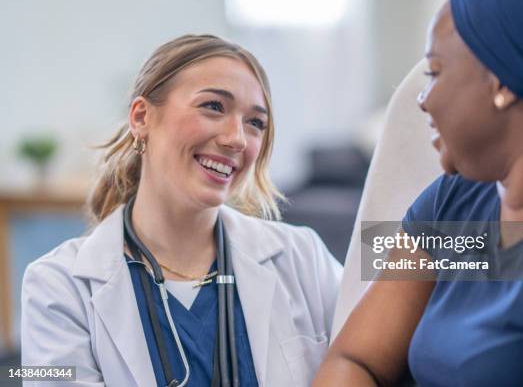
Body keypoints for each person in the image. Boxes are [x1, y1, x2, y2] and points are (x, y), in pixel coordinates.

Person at [314, 0, 523, 385]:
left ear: (502, 82)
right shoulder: (455, 198)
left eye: (435, 71)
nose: (423, 99)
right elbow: (354, 359)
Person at [21, 34, 342, 387]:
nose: (237, 138)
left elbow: (395, 293)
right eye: (214, 107)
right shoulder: (56, 287)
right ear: (141, 116)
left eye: (255, 123)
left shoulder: (302, 256)